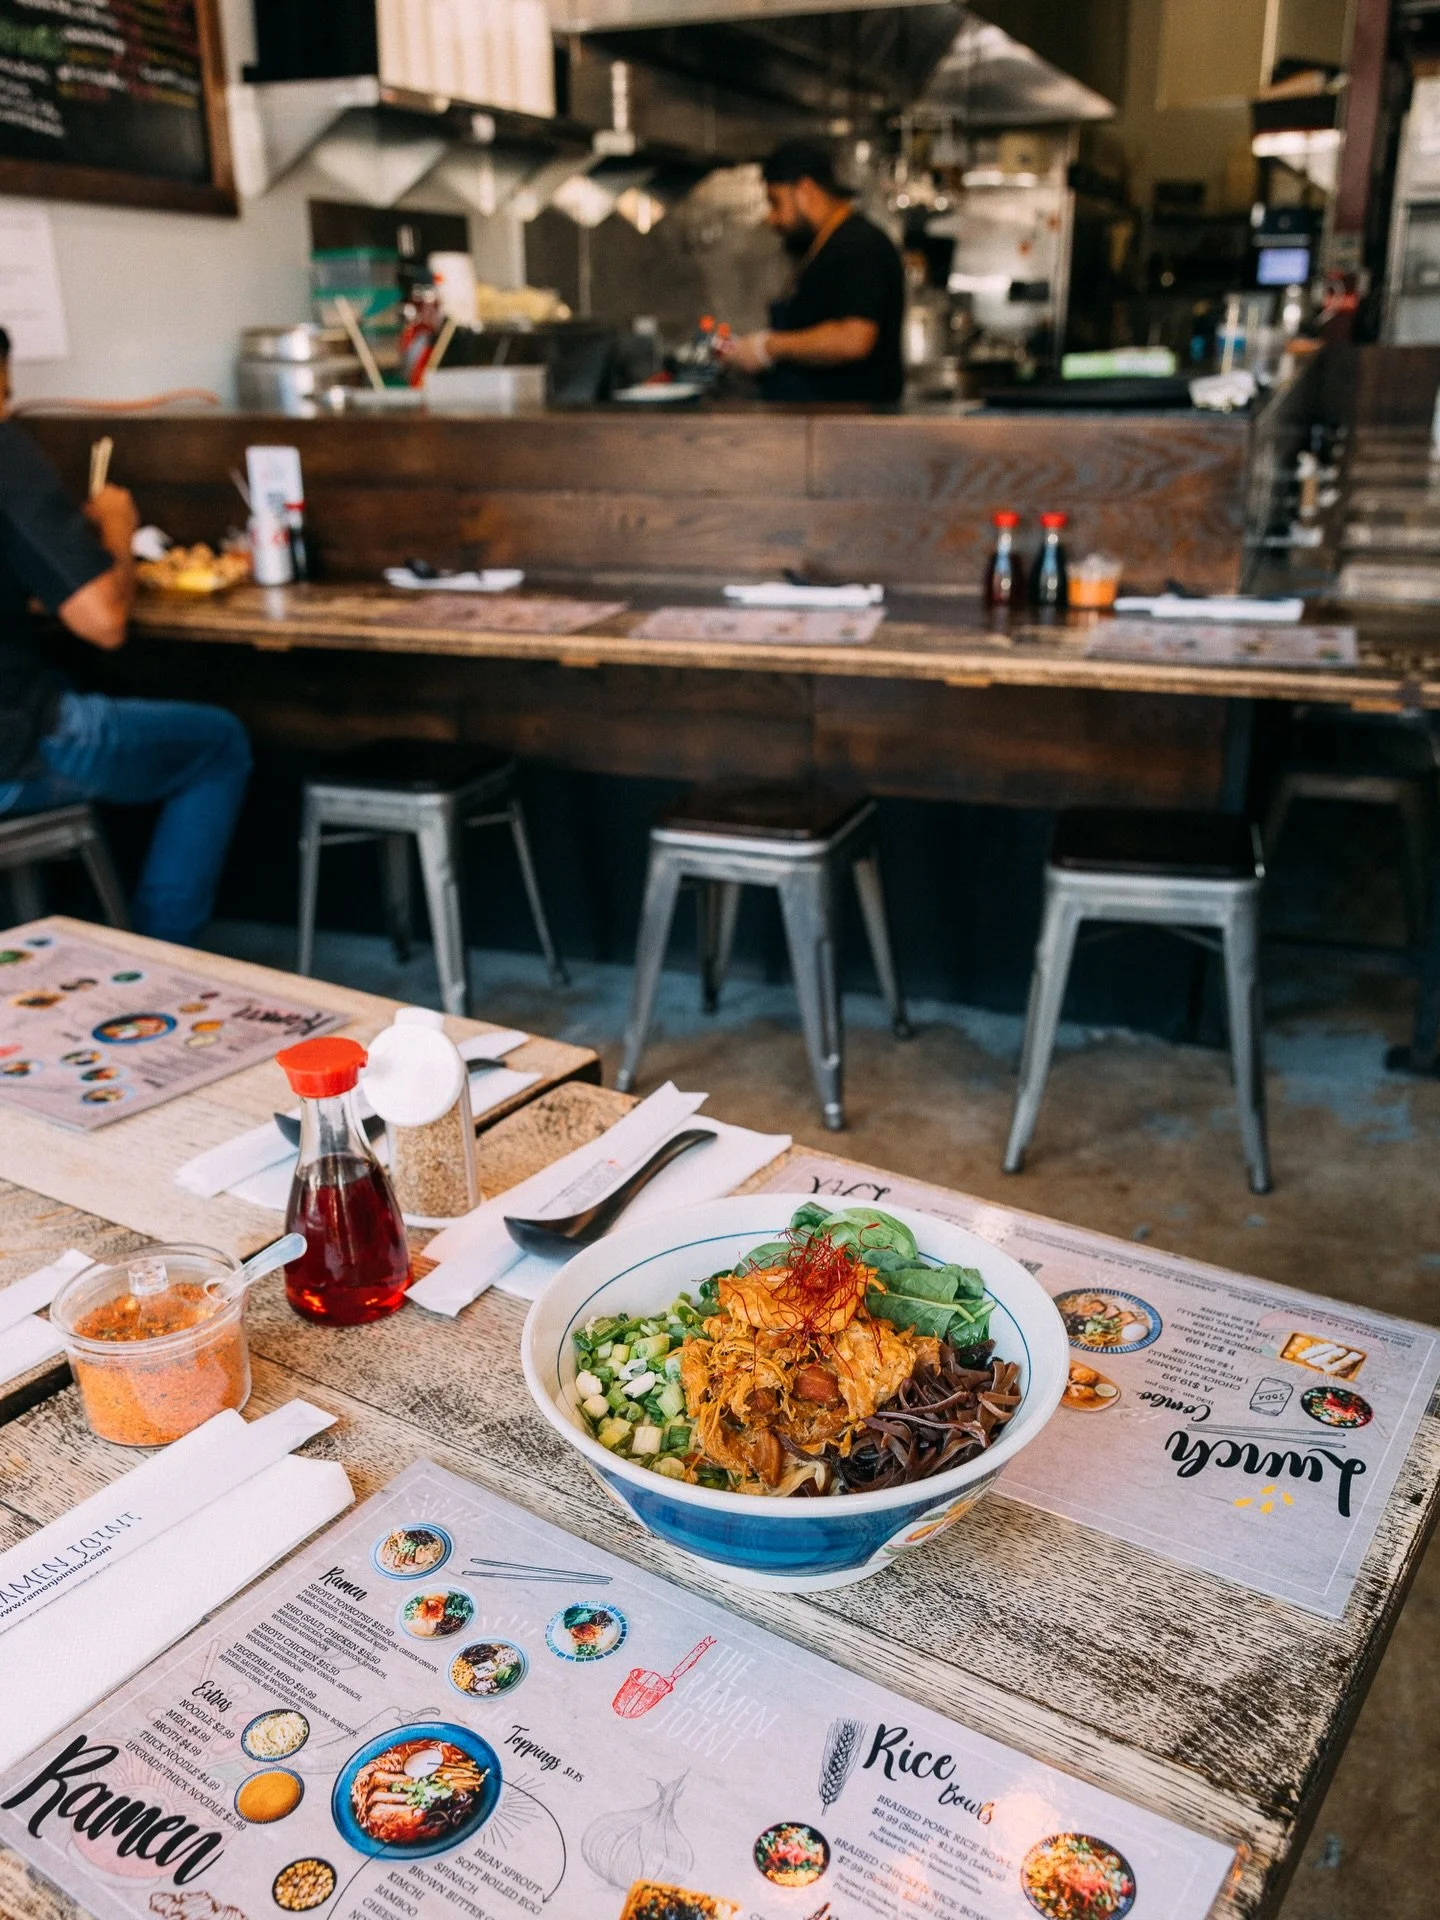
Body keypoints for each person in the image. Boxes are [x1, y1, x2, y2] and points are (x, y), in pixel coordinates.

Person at [0, 330, 251, 943]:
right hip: (15, 750)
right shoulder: (4, 451)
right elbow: (104, 622)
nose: (9, 408)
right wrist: (116, 528)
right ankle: (165, 958)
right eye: (4, 392)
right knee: (218, 745)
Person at [722, 139, 905, 406]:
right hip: (819, 424)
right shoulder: (823, 246)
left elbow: (854, 339)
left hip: (849, 428)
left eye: (776, 202)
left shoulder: (859, 245)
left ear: (805, 190)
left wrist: (768, 347)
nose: (772, 218)